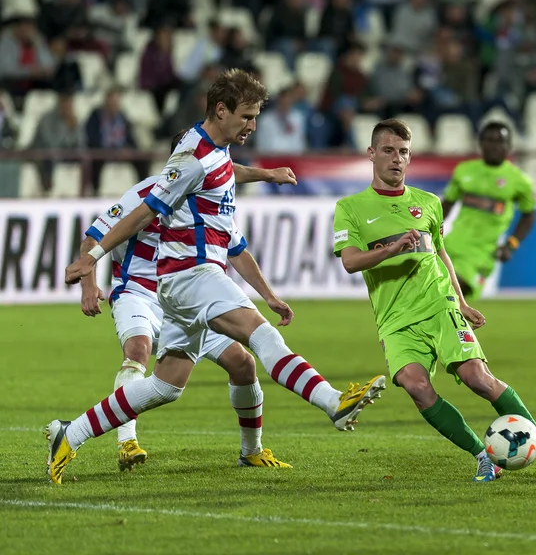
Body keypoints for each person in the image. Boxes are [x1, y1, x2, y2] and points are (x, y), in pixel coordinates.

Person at [47, 69, 386, 484]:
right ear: (221, 110)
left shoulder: (216, 151)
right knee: (261, 336)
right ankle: (333, 401)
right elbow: (144, 212)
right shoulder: (192, 160)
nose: (253, 126)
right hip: (190, 275)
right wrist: (94, 256)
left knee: (166, 385)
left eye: (256, 117)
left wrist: (266, 174)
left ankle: (71, 433)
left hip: (181, 282)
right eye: (246, 117)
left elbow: (226, 177)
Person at [333, 118, 536, 483]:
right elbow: (351, 261)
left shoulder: (428, 203)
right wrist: (390, 249)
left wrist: (461, 303)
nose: (396, 159)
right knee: (417, 388)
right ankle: (484, 457)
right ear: (371, 154)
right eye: (388, 151)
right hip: (395, 319)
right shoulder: (351, 207)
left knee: (478, 378)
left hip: (439, 305)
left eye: (403, 152)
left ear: (410, 156)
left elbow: (442, 255)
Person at [80, 131, 300, 471]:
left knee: (243, 364)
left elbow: (236, 250)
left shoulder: (207, 199)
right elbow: (94, 236)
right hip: (138, 292)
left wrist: (269, 296)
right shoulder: (143, 194)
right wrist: (89, 285)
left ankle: (251, 451)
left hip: (186, 298)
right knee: (137, 349)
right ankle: (127, 442)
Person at [441, 121, 536, 299]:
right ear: (480, 143)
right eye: (489, 140)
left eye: (499, 141)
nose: (494, 146)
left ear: (509, 146)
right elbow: (446, 205)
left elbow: (529, 214)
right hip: (450, 245)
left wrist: (512, 244)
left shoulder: (519, 181)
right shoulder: (464, 171)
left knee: (453, 292)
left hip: (482, 254)